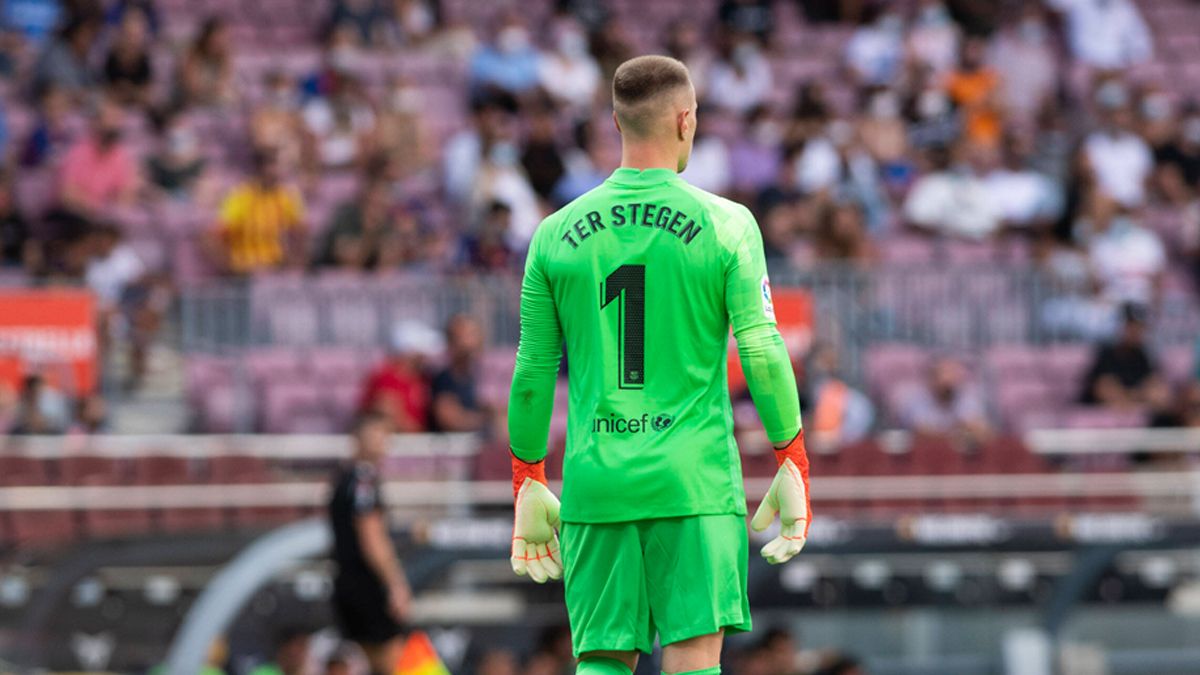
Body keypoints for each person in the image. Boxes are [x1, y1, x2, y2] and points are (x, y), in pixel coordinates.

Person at [506, 55, 811, 675]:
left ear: (616, 123)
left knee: (602, 660)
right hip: (694, 482)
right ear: (686, 120)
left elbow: (534, 369)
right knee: (695, 656)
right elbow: (760, 348)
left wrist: (527, 477)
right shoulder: (728, 224)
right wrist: (790, 456)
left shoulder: (555, 234)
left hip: (596, 482)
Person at [328, 412, 412, 675]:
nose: (383, 442)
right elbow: (371, 537)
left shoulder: (343, 479)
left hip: (346, 582)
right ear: (359, 438)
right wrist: (395, 583)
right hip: (368, 585)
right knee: (392, 663)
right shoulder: (364, 481)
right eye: (377, 435)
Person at [205, 148, 307, 275]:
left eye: (277, 165)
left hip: (277, 269)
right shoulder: (240, 198)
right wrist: (229, 268)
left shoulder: (286, 197)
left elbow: (299, 233)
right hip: (246, 271)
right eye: (271, 166)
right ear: (259, 169)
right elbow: (213, 237)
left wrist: (296, 264)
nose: (276, 171)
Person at [56, 96, 140, 219]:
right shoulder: (78, 151)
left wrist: (115, 208)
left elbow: (126, 193)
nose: (114, 125)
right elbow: (67, 194)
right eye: (110, 120)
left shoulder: (121, 155)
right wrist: (96, 208)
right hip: (78, 217)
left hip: (107, 219)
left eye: (117, 120)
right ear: (96, 123)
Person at [1080, 304, 1170, 410]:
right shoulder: (1107, 352)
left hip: (1134, 404)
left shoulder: (1142, 354)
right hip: (1101, 415)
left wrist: (1134, 396)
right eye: (1131, 326)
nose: (1136, 331)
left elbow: (1155, 386)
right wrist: (1134, 396)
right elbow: (1102, 388)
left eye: (1139, 327)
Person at [360, 320, 442, 432]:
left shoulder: (423, 378)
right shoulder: (387, 378)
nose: (425, 357)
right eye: (420, 352)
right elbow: (387, 414)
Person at [898, 356, 992, 446]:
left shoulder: (965, 396)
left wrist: (949, 431)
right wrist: (960, 429)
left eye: (954, 376)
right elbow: (923, 432)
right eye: (945, 377)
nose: (950, 381)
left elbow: (982, 431)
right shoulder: (915, 400)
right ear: (932, 380)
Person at [429, 314, 490, 432]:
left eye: (473, 335)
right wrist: (486, 419)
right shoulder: (444, 379)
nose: (469, 343)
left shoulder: (481, 376)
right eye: (463, 336)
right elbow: (450, 420)